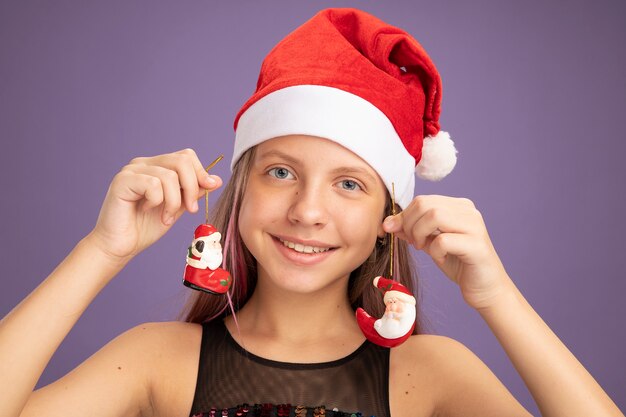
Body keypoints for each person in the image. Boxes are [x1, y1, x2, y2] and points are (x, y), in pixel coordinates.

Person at [1, 7, 623, 417]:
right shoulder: (156, 358)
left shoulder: (430, 375)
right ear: (239, 188)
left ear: (391, 215)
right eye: (280, 172)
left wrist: (499, 299)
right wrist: (100, 251)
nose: (307, 211)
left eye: (349, 184)